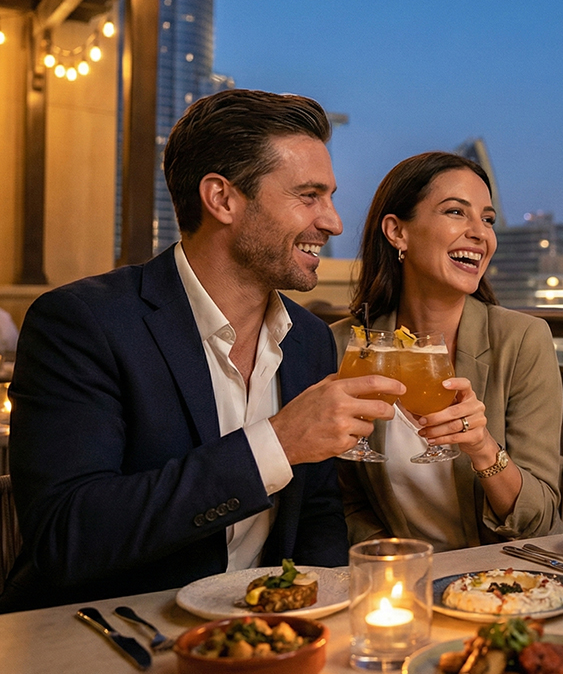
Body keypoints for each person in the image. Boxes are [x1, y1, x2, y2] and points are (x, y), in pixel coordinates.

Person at [0, 89, 400, 612]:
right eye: (309, 196)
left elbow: (318, 515)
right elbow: (68, 536)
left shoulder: (310, 339)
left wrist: (317, 615)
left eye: (330, 197)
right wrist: (275, 444)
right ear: (222, 198)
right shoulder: (81, 323)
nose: (333, 222)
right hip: (106, 636)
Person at [332, 151, 563, 551]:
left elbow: (539, 520)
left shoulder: (522, 340)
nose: (480, 233)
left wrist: (483, 448)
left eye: (487, 219)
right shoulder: (344, 347)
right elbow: (341, 502)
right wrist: (394, 559)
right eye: (457, 212)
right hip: (402, 585)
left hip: (506, 579)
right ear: (397, 232)